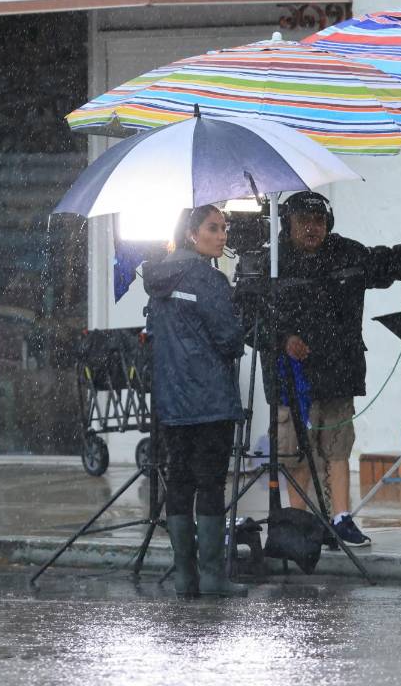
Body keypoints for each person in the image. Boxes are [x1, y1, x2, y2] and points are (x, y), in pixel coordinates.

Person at [269, 190, 401, 548]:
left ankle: (341, 518)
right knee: (296, 453)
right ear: (286, 224)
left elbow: (390, 262)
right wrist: (283, 339)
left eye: (318, 221)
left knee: (337, 449)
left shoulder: (346, 253)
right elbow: (252, 319)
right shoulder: (273, 263)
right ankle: (301, 521)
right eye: (303, 221)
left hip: (338, 373)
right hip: (293, 379)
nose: (312, 228)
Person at [144, 204, 247, 598]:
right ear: (192, 234)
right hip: (209, 400)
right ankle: (212, 576)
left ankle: (185, 577)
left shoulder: (158, 278)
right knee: (210, 485)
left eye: (224, 228)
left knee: (180, 483)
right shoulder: (209, 279)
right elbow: (229, 340)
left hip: (173, 401)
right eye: (213, 228)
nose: (222, 236)